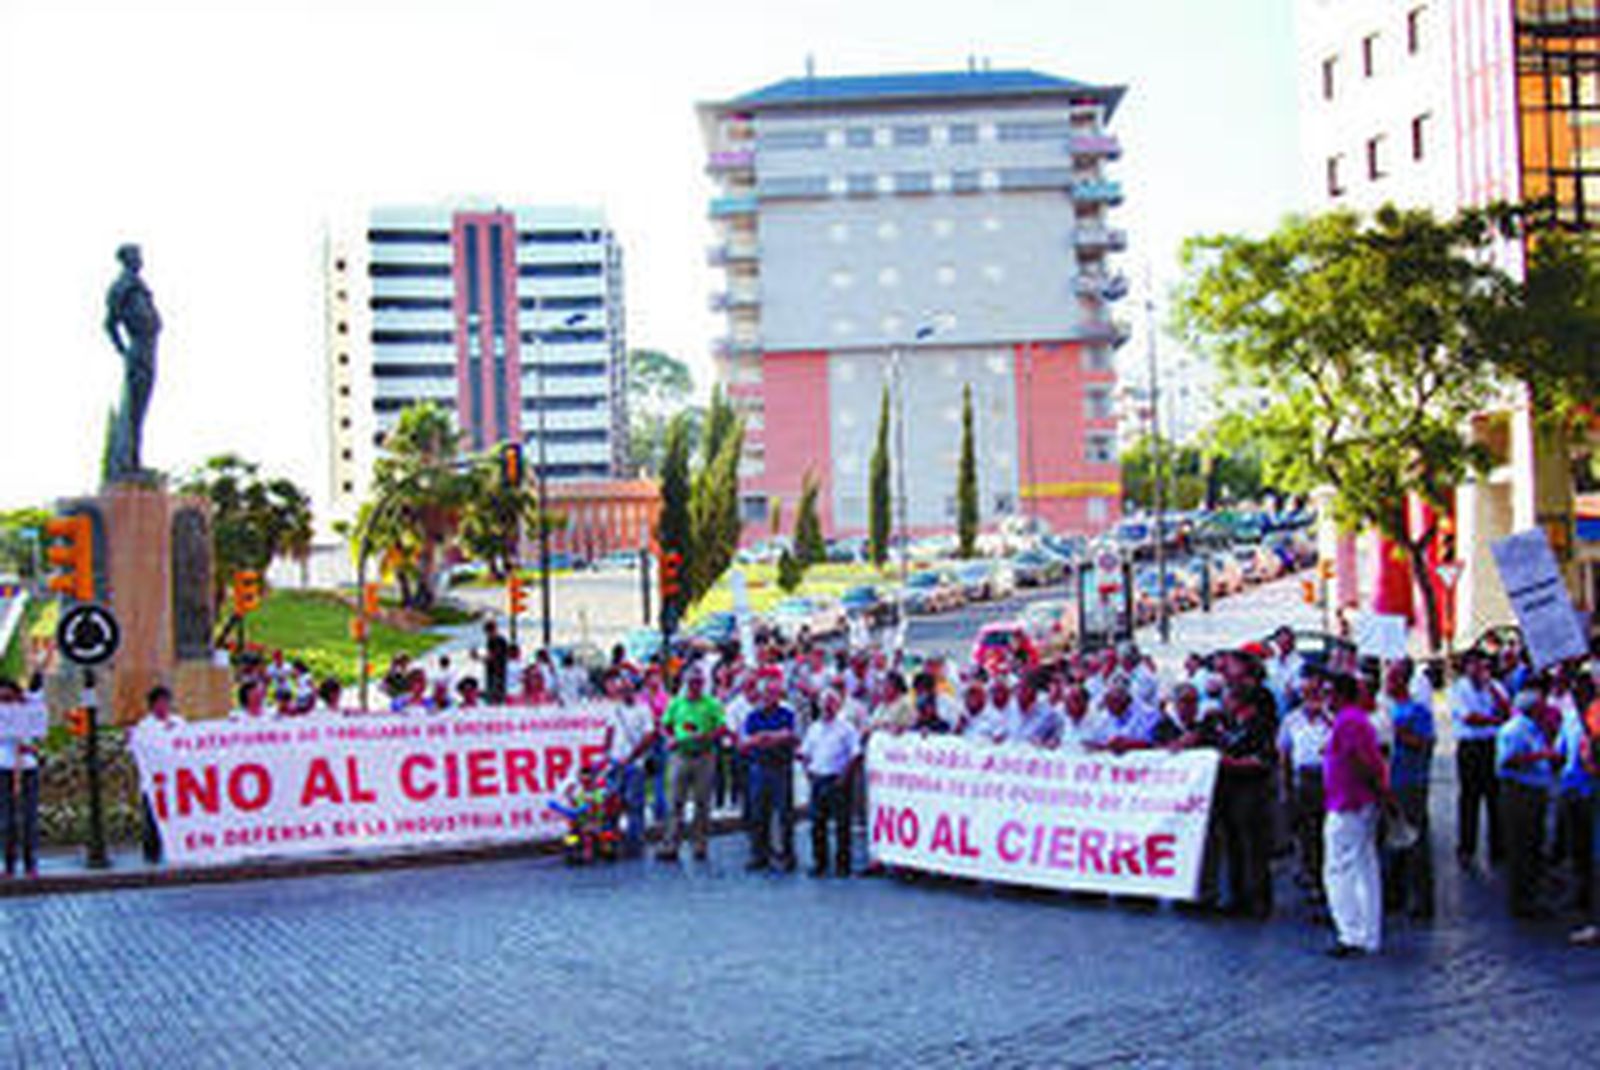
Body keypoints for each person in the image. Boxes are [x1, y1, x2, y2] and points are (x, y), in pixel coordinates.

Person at [1322, 672, 1392, 957]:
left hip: (1348, 801)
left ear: (1339, 695)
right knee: (1363, 864)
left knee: (1340, 868)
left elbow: (1358, 759)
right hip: (1359, 800)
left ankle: (1351, 933)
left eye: (1329, 693)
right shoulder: (1357, 719)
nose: (1325, 698)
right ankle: (1368, 933)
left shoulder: (1348, 720)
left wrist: (1375, 788)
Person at [1496, 690, 1561, 919]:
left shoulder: (1533, 728)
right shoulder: (1515, 729)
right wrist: (1541, 756)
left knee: (1532, 843)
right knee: (1521, 845)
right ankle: (1521, 900)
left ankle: (1531, 894)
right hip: (1520, 793)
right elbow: (1508, 761)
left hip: (1534, 790)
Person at [656, 666, 725, 862]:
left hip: (704, 754)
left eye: (698, 683)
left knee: (702, 802)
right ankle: (671, 844)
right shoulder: (676, 703)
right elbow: (664, 725)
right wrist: (669, 738)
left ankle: (700, 844)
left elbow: (721, 727)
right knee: (675, 801)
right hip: (680, 754)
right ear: (686, 684)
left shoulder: (712, 703)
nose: (695, 686)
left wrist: (706, 736)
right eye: (692, 683)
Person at [1278, 668, 1334, 907]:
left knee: (1326, 832)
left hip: (1329, 778)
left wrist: (1325, 716)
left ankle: (1328, 880)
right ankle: (1312, 876)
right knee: (1306, 832)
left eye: (1315, 692)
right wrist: (1286, 786)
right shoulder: (1292, 719)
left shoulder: (1332, 717)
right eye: (1306, 693)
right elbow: (1284, 753)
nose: (1311, 698)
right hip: (1304, 779)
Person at [1385, 661, 1436, 921]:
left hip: (1411, 781)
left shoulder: (1417, 711)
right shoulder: (1386, 710)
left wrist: (1402, 735)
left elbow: (1426, 745)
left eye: (1392, 678)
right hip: (1390, 779)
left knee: (1415, 837)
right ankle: (1395, 893)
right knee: (1393, 837)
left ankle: (1422, 898)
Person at [1452, 652, 1510, 868]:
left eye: (1482, 665)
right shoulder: (1459, 689)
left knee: (1495, 797)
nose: (1478, 670)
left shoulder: (1495, 686)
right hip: (1470, 747)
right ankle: (1467, 848)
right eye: (1473, 665)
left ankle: (1498, 847)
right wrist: (1494, 720)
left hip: (1491, 745)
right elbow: (1469, 717)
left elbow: (1507, 710)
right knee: (1469, 798)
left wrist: (1492, 689)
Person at [742, 669, 800, 872]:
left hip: (781, 767)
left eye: (774, 693)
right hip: (759, 767)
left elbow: (791, 735)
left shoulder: (787, 713)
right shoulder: (753, 715)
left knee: (784, 814)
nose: (770, 697)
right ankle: (760, 854)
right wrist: (771, 737)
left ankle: (787, 855)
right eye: (767, 693)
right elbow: (746, 741)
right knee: (758, 813)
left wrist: (767, 738)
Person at [800, 688, 861, 877]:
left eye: (831, 703)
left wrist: (845, 776)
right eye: (824, 703)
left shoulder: (846, 728)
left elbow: (855, 754)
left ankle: (843, 864)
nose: (827, 707)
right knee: (817, 824)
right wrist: (807, 771)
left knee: (842, 825)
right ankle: (820, 863)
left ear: (838, 705)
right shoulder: (814, 727)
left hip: (837, 779)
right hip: (818, 778)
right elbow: (805, 752)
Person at [602, 671, 656, 858]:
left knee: (634, 804)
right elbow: (609, 732)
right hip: (615, 761)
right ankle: (611, 841)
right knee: (612, 804)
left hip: (635, 763)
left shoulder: (644, 710)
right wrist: (606, 755)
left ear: (635, 690)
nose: (625, 693)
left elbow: (649, 736)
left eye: (628, 689)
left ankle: (634, 844)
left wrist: (632, 757)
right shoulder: (614, 709)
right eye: (622, 690)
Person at [0, 676, 45, 878]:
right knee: (6, 819)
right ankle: (8, 864)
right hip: (4, 767)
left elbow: (37, 692)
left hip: (27, 767)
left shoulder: (30, 705)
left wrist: (29, 746)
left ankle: (30, 863)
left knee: (29, 818)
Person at [134, 685, 183, 863]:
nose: (164, 706)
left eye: (166, 702)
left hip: (177, 780)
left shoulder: (178, 722)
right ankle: (152, 854)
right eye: (160, 703)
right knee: (153, 819)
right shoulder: (144, 727)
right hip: (154, 781)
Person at [481, 621, 510, 704]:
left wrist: (481, 657)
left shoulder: (499, 640)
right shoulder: (490, 641)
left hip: (498, 670)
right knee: (491, 692)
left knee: (497, 693)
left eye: (489, 632)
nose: (488, 634)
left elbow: (495, 655)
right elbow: (491, 656)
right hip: (492, 670)